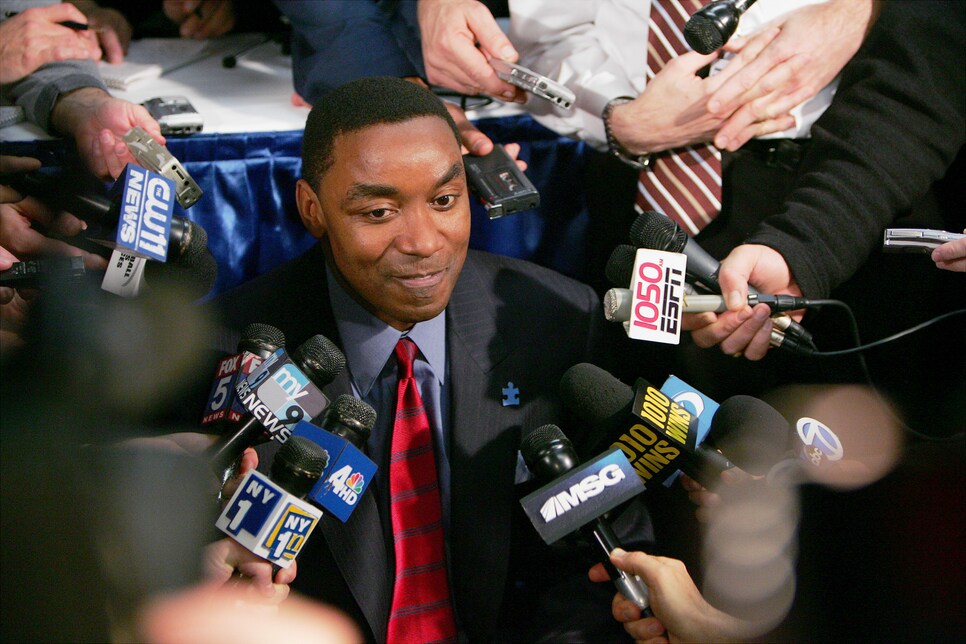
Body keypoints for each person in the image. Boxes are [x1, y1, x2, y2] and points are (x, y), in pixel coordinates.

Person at [208, 76, 635, 642]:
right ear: (313, 209)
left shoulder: (555, 322)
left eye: (443, 201)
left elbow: (598, 560)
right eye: (380, 212)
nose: (425, 241)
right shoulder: (226, 350)